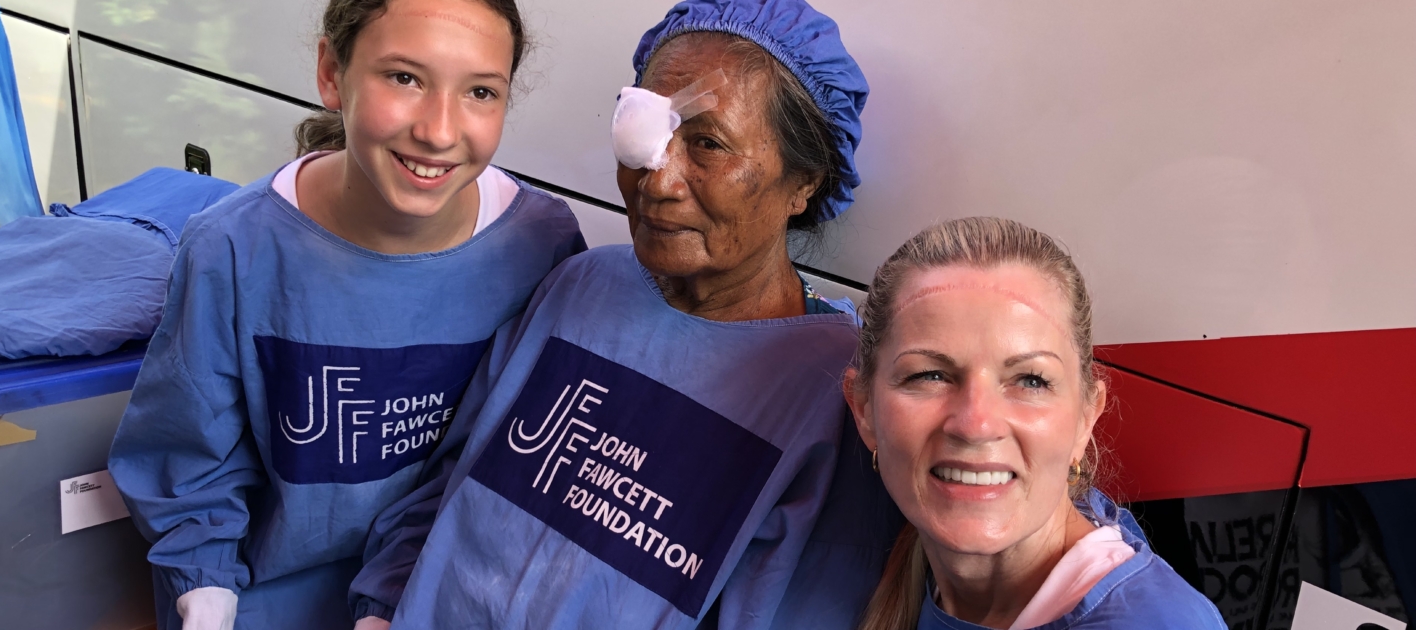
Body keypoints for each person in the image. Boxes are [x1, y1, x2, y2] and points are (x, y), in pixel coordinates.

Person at [347, 0, 904, 627]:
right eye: (645, 132)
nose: (657, 178)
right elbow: (451, 481)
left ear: (804, 182)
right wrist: (382, 610)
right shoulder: (583, 283)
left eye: (708, 145)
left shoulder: (834, 395)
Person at [106, 0, 585, 628]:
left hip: (441, 594)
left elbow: (508, 468)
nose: (440, 131)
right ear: (333, 73)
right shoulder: (232, 248)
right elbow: (188, 460)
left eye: (480, 92)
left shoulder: (542, 245)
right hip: (265, 596)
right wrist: (204, 598)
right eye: (405, 78)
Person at [844, 217, 1227, 630]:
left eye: (1031, 380)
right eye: (929, 376)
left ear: (1086, 418)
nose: (976, 424)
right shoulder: (910, 572)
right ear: (863, 408)